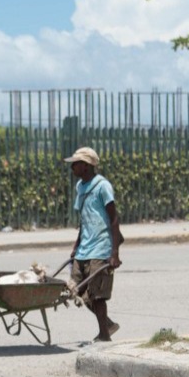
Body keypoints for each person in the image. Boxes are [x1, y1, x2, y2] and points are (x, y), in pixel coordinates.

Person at [65, 146, 122, 343]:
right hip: (84, 248)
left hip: (101, 246)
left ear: (86, 166)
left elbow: (114, 219)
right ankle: (107, 323)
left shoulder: (102, 186)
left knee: (97, 295)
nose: (72, 168)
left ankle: (104, 335)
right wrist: (75, 247)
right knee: (76, 290)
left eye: (75, 164)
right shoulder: (80, 187)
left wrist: (114, 253)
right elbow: (84, 220)